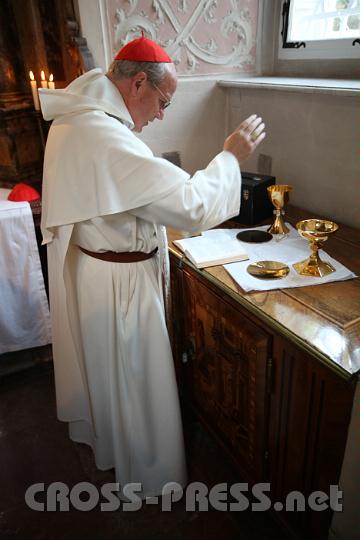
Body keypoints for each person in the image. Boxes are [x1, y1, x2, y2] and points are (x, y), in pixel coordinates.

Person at [39, 35, 265, 499]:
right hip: (121, 286)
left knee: (113, 380)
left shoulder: (75, 119)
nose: (161, 114)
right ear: (138, 82)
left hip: (96, 275)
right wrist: (230, 156)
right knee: (136, 384)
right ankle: (149, 477)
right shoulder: (102, 134)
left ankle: (118, 456)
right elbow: (192, 204)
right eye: (163, 102)